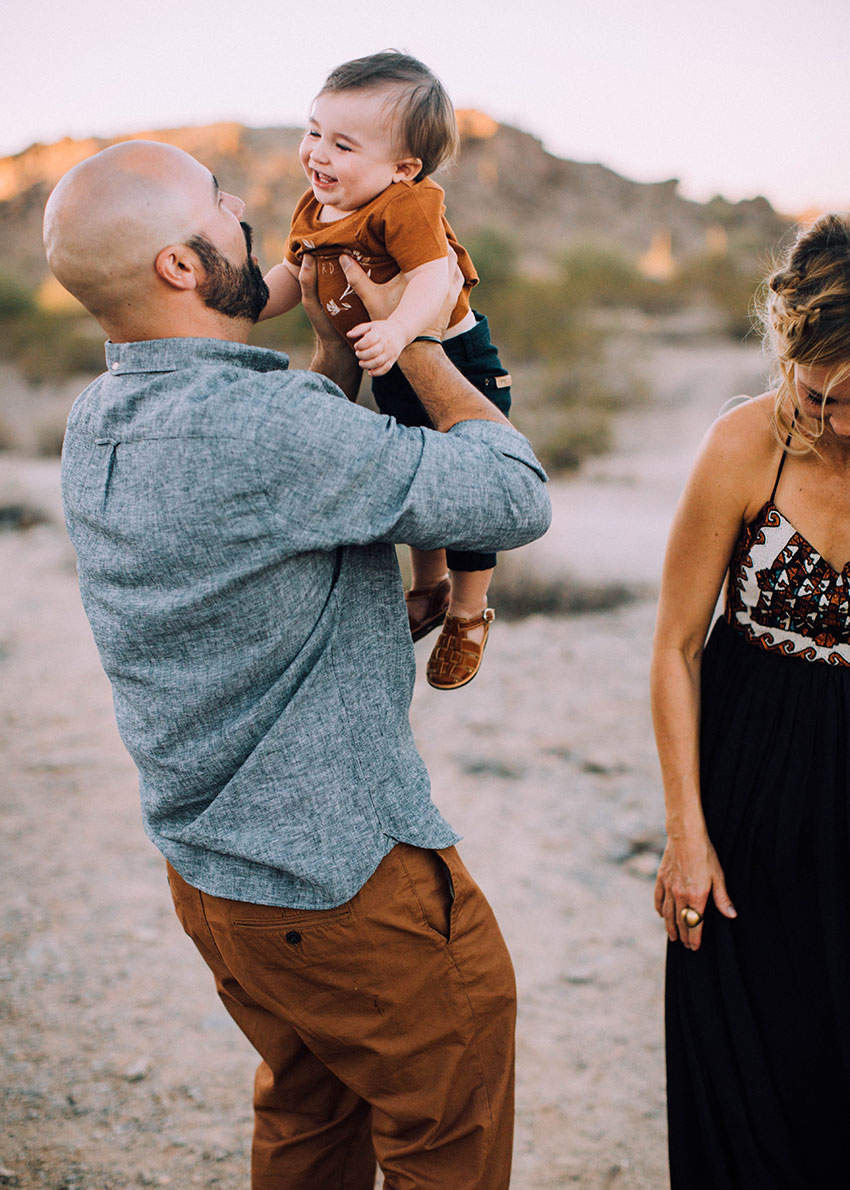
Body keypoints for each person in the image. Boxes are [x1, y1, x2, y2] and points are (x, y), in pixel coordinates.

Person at [43, 139, 551, 1190]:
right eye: (220, 202)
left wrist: (328, 358)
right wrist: (404, 333)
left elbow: (252, 544)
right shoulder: (264, 425)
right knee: (442, 1128)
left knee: (311, 1116)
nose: (246, 213)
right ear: (182, 266)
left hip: (220, 882)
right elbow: (511, 494)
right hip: (347, 882)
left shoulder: (99, 422)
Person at [651, 212, 850, 1188]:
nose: (841, 421)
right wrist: (686, 831)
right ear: (787, 351)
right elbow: (676, 647)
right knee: (745, 1076)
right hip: (746, 793)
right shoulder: (742, 446)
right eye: (821, 394)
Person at [261, 50, 513, 690]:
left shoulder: (406, 205)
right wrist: (248, 306)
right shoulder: (314, 208)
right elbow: (293, 273)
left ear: (403, 167)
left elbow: (435, 277)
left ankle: (466, 611)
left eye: (342, 145)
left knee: (467, 492)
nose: (317, 153)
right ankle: (426, 589)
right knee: (416, 477)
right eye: (314, 131)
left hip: (457, 363)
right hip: (387, 365)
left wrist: (401, 329)